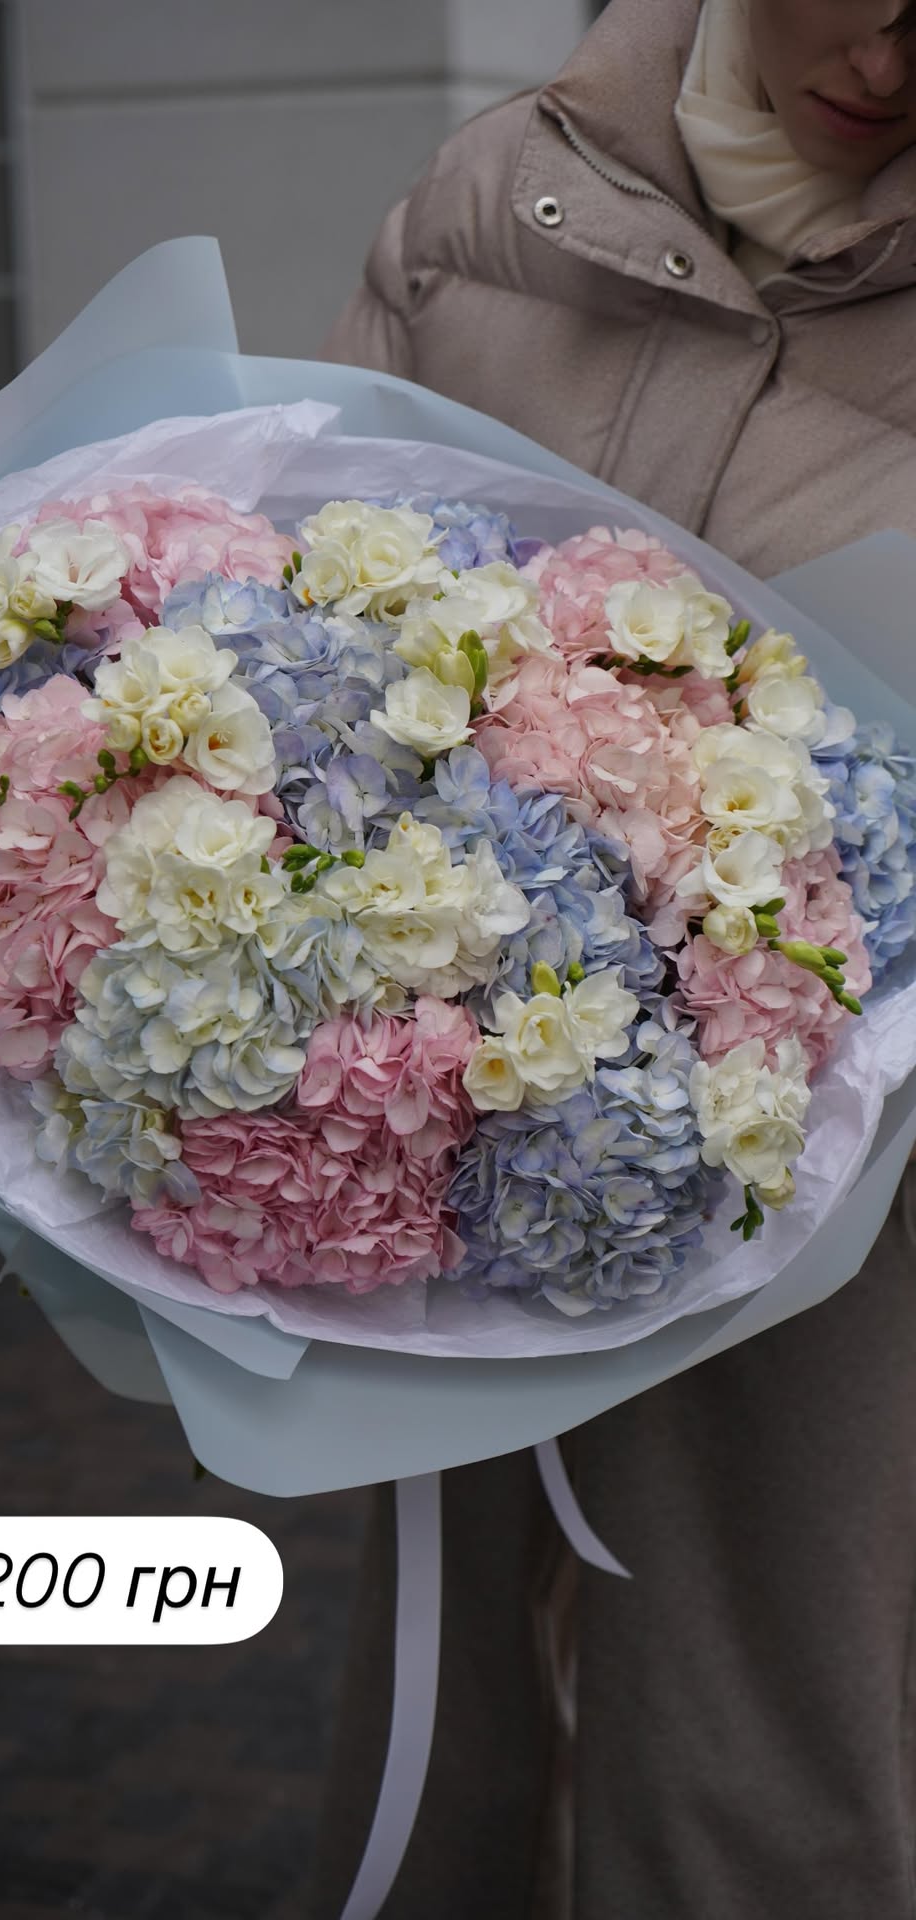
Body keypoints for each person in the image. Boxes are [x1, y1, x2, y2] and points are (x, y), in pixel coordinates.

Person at [304, 3, 916, 1917]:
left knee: (771, 1737)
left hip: (845, 1217)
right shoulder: (491, 202)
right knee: (436, 1710)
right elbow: (309, 614)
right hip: (454, 1150)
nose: (887, 69)